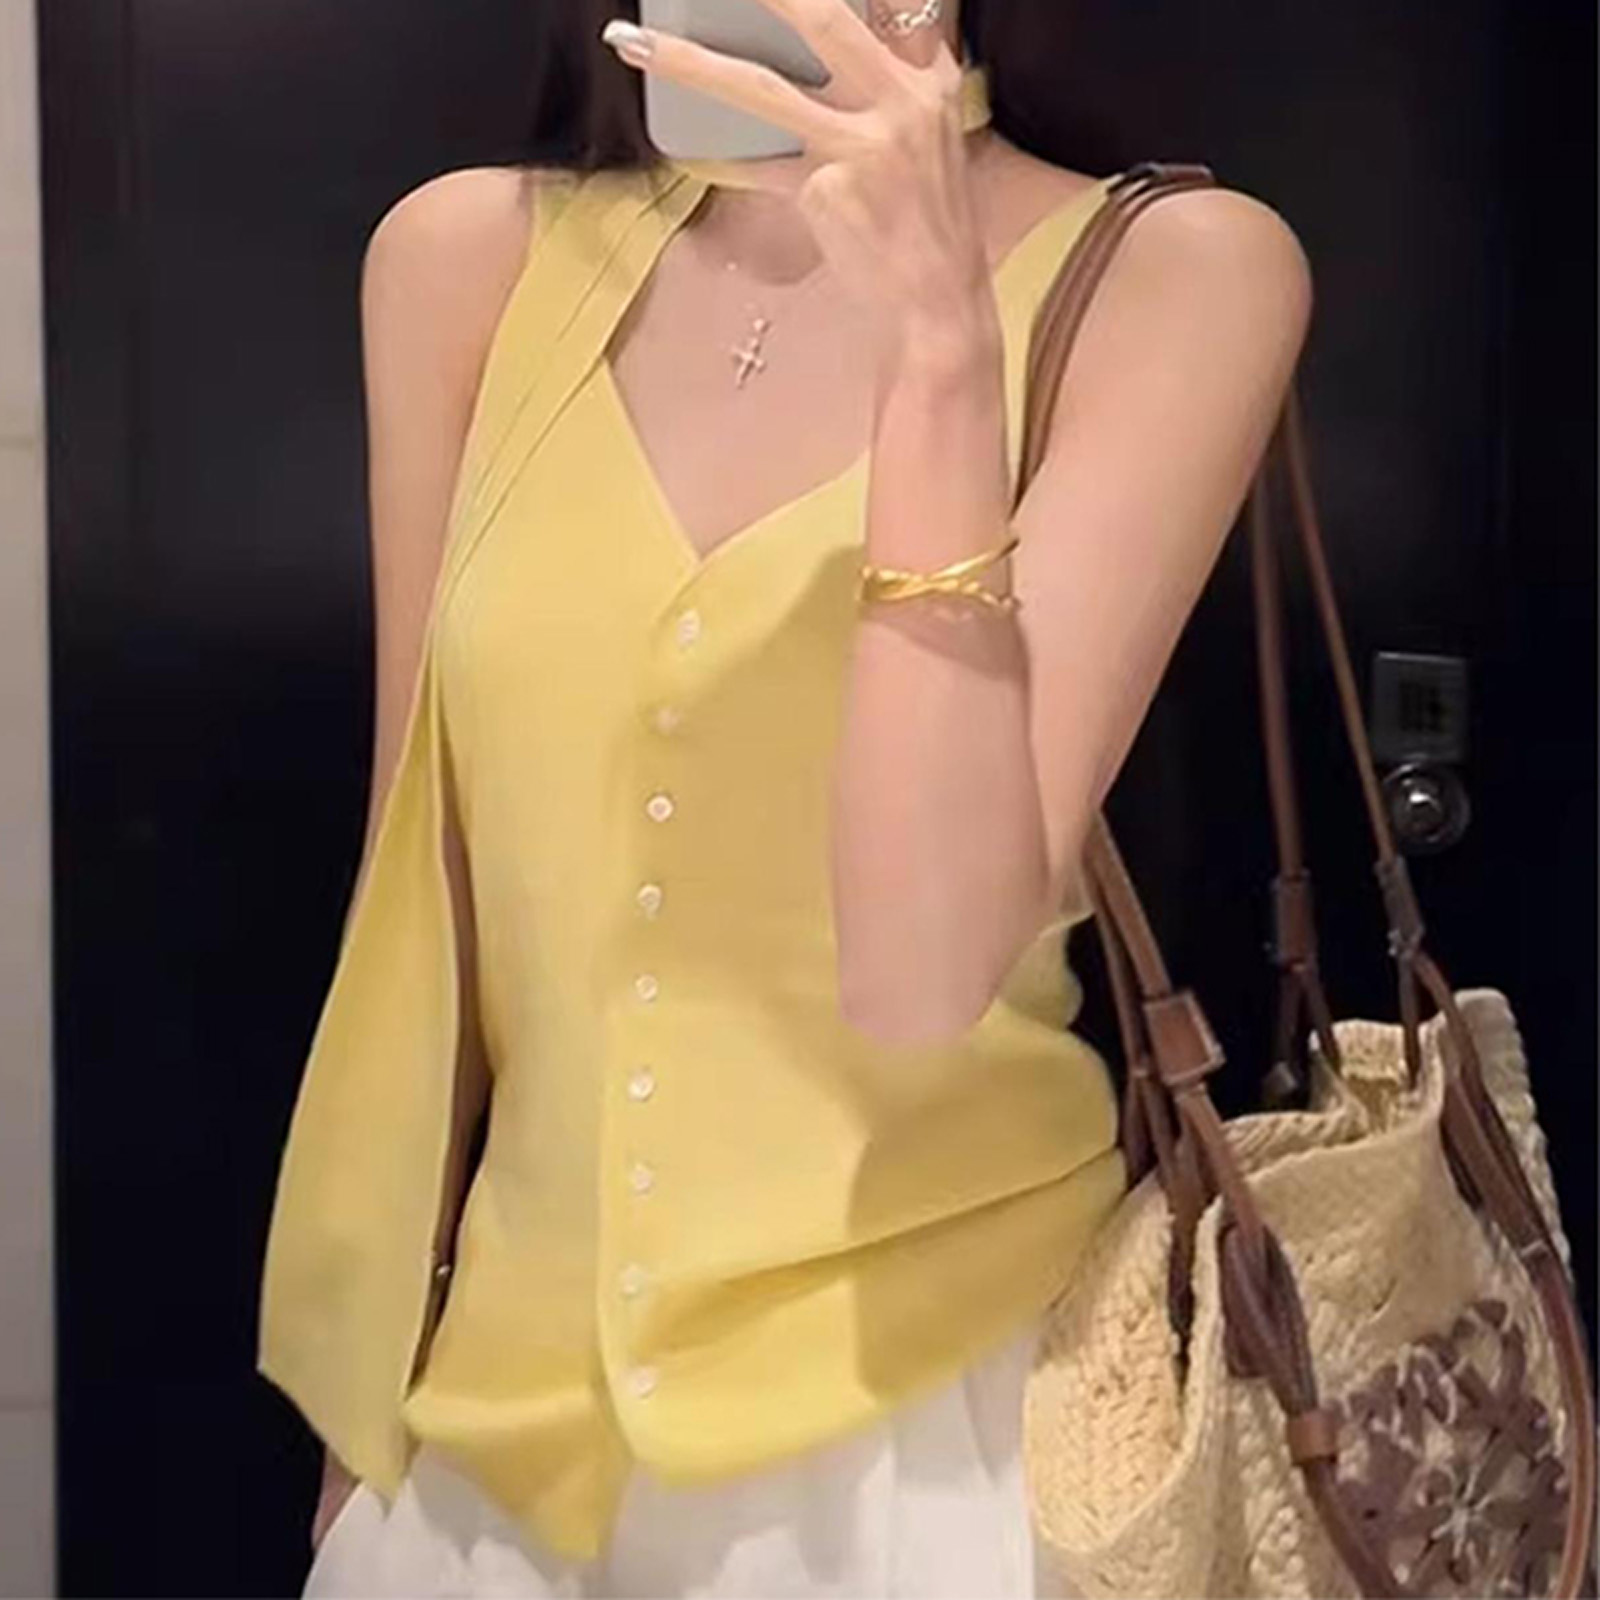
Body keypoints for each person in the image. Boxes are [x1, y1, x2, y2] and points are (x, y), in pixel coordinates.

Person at [258, 0, 1312, 1593]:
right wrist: (362, 1423)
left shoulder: (1173, 275)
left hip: (941, 1438)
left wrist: (940, 357)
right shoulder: (465, 263)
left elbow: (918, 978)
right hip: (488, 1454)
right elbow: (418, 898)